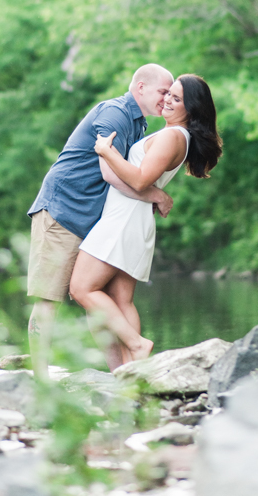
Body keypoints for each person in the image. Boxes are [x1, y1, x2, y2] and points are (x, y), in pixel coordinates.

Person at [26, 63, 174, 375]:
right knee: (48, 299)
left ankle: (119, 375)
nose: (167, 98)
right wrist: (154, 196)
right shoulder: (116, 113)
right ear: (141, 87)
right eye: (163, 91)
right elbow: (109, 170)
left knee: (102, 300)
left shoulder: (140, 124)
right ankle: (38, 379)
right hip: (63, 211)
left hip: (92, 219)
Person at [69, 74, 223, 366]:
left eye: (177, 99)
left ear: (191, 109)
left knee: (82, 288)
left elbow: (140, 180)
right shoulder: (173, 135)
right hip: (132, 218)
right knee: (120, 299)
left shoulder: (173, 136)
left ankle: (137, 345)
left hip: (124, 219)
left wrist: (106, 151)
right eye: (168, 94)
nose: (167, 100)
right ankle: (129, 374)